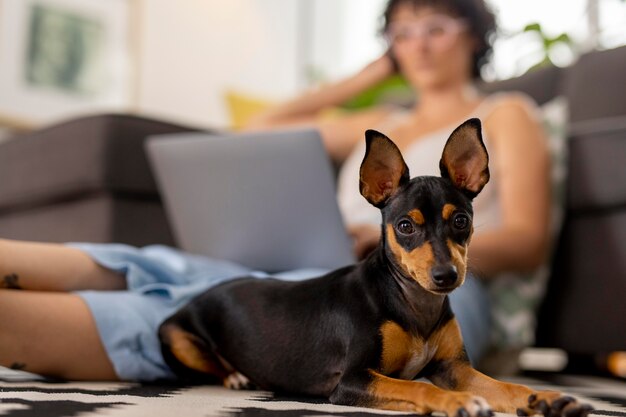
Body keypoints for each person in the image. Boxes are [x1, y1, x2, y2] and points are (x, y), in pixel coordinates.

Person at [0, 0, 550, 382]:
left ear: (475, 33)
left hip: (434, 296)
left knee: (236, 310)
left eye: (435, 26)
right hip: (334, 274)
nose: (418, 45)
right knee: (187, 270)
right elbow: (256, 127)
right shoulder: (383, 120)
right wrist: (365, 78)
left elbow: (527, 240)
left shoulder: (505, 114)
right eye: (402, 33)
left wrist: (395, 246)